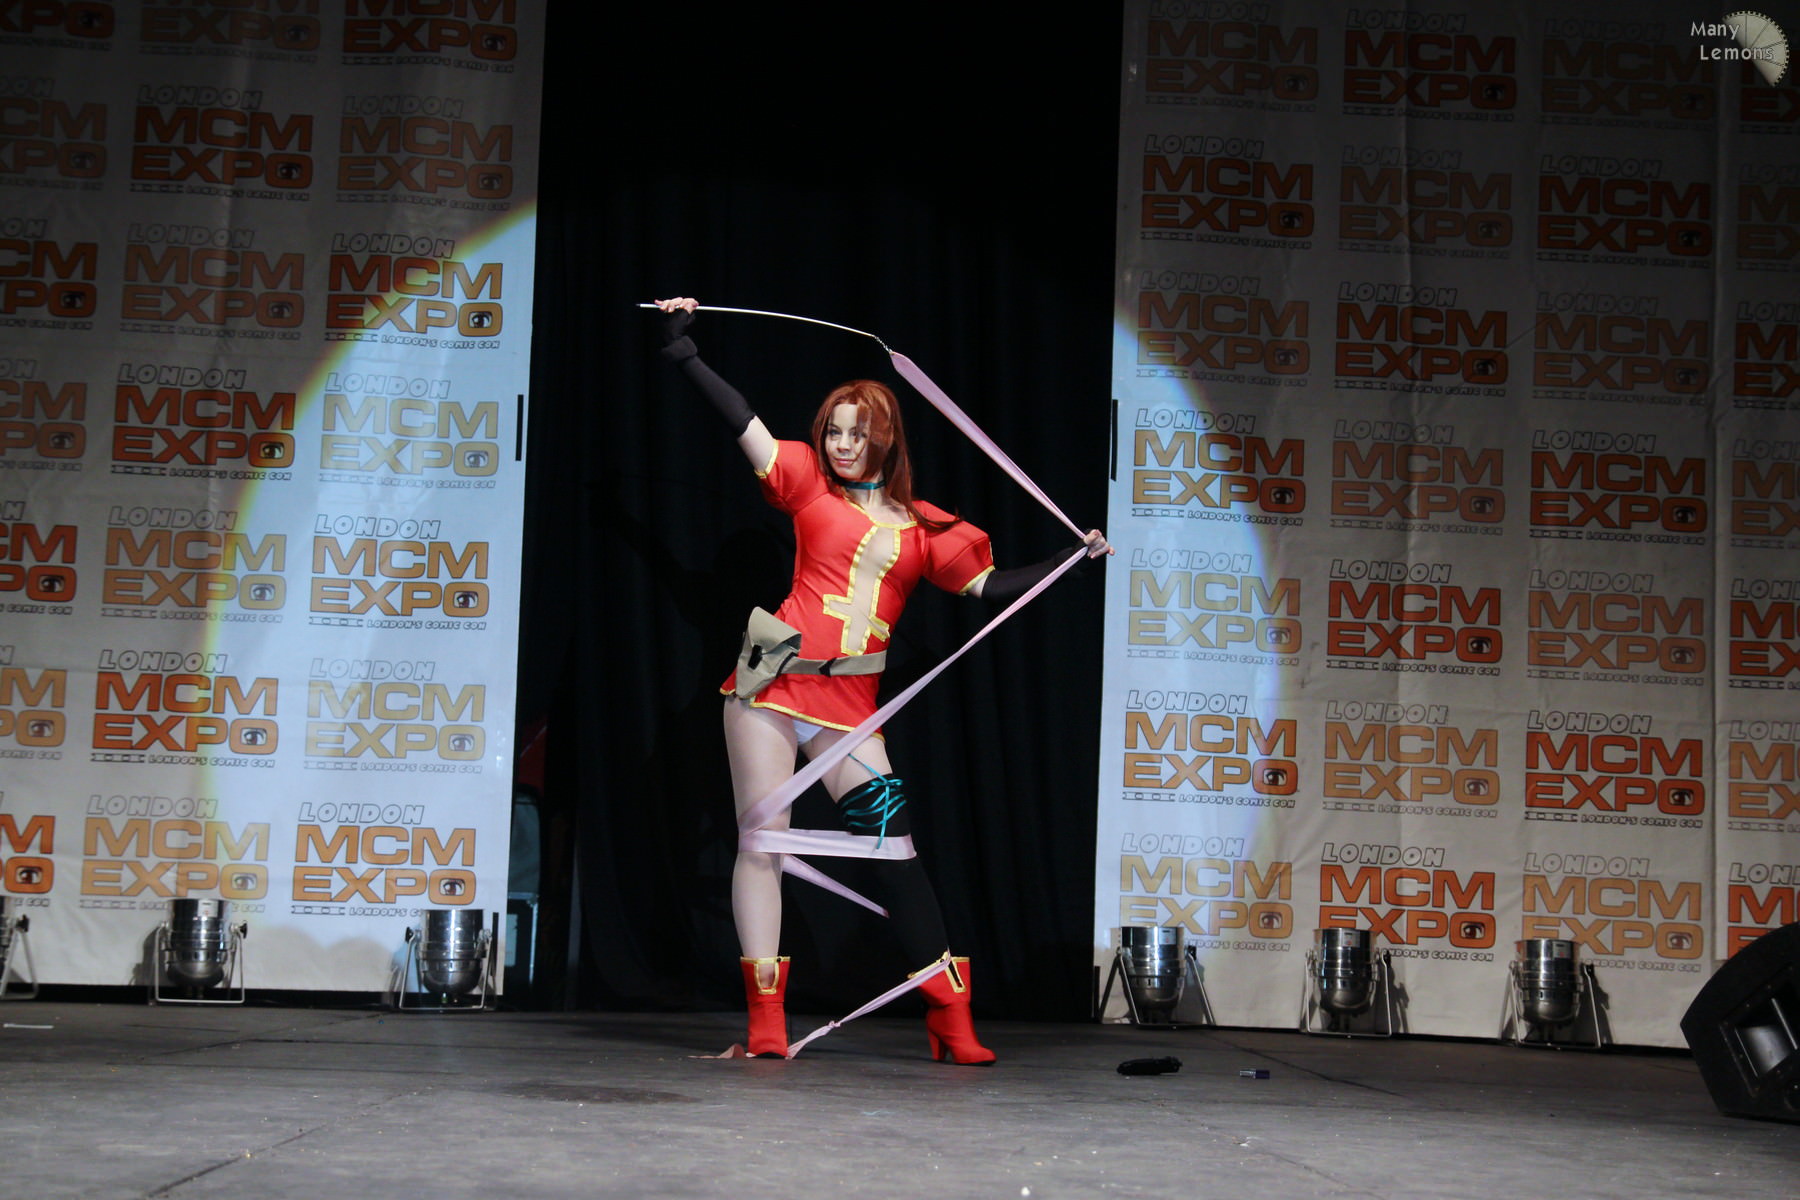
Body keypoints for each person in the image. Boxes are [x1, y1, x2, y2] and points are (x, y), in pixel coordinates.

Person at [655, 297, 1110, 1062]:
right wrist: (684, 354)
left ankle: (949, 1017)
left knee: (894, 850)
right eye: (833, 431)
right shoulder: (807, 484)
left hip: (849, 707)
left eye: (855, 434)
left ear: (884, 439)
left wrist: (1069, 560)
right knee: (762, 841)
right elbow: (744, 422)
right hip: (769, 684)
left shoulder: (927, 527)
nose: (839, 445)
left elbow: (989, 587)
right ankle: (766, 1026)